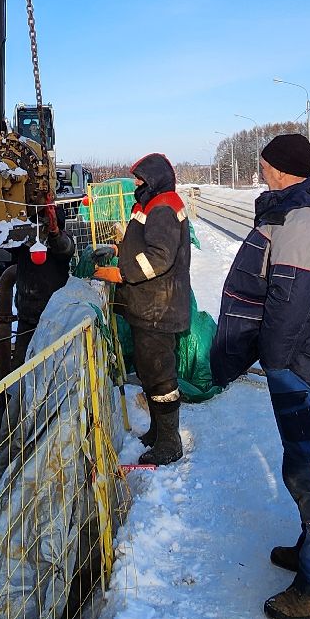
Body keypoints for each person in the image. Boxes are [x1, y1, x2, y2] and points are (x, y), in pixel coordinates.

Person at [209, 133, 310, 619]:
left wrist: (273, 362)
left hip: (302, 364)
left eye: (262, 165)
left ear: (278, 169)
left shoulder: (301, 221)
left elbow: (289, 305)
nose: (260, 172)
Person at [115, 152, 192, 466]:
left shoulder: (162, 207)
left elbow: (159, 257)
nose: (136, 183)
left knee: (160, 374)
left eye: (141, 178)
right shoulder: (150, 204)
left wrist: (122, 273)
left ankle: (170, 443)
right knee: (149, 370)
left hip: (158, 307)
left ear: (155, 179)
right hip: (147, 303)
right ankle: (157, 431)